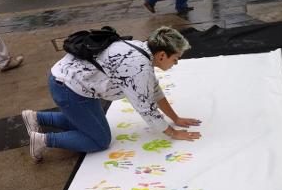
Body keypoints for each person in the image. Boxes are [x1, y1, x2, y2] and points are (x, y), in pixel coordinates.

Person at [22, 26, 201, 162]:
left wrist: (176, 119)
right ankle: (43, 140)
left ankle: (36, 118)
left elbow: (155, 91)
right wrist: (173, 133)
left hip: (73, 82)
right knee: (99, 140)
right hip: (68, 88)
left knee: (89, 123)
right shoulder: (139, 68)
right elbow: (147, 109)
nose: (176, 64)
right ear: (162, 55)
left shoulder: (141, 49)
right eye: (175, 59)